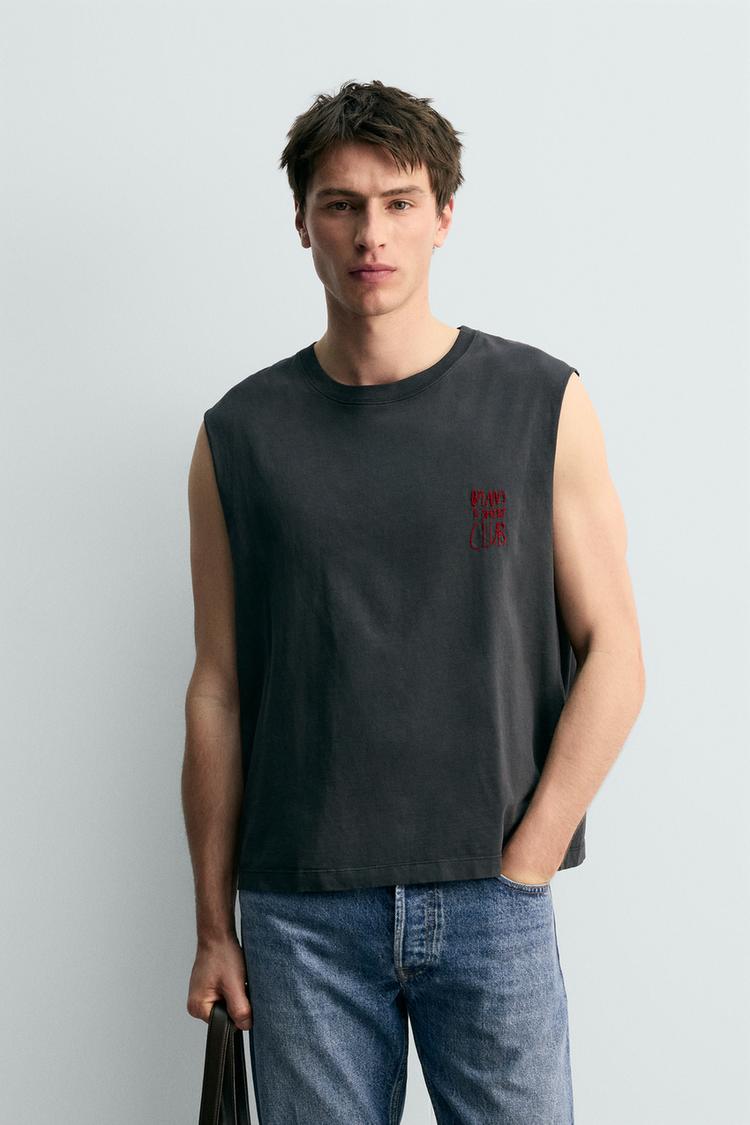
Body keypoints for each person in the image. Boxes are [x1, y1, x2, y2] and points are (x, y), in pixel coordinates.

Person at [182, 79, 645, 1124]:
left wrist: (529, 858)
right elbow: (217, 689)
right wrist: (214, 924)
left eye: (399, 203)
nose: (371, 234)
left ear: (444, 216)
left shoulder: (540, 402)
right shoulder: (238, 436)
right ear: (302, 221)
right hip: (300, 916)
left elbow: (616, 651)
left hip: (493, 897)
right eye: (342, 205)